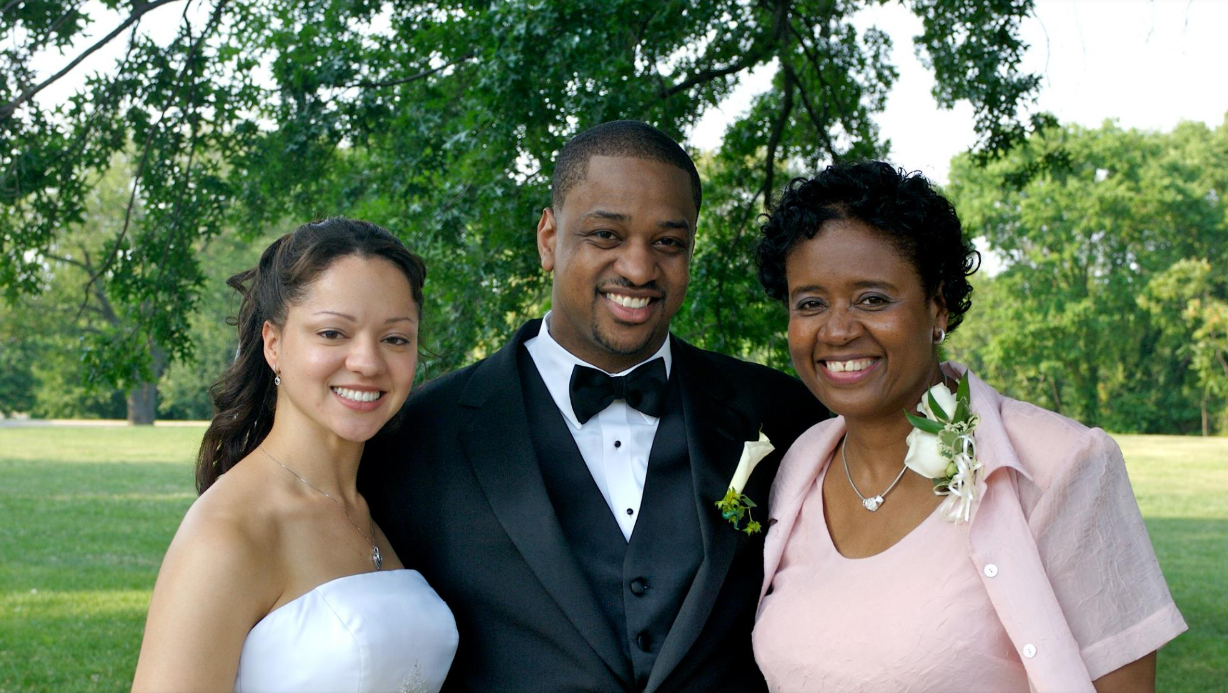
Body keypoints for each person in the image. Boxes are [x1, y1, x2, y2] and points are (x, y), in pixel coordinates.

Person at [361, 120, 826, 692]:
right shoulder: (416, 436)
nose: (638, 268)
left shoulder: (784, 415)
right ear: (549, 238)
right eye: (606, 235)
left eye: (668, 243)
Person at [750, 162, 1187, 692]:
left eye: (873, 299)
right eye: (811, 303)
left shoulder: (1058, 464)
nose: (838, 329)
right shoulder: (799, 466)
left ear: (939, 305)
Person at [132, 219, 457, 693]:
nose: (367, 361)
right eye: (332, 333)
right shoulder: (229, 532)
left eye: (395, 339)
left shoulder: (385, 504)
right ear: (274, 344)